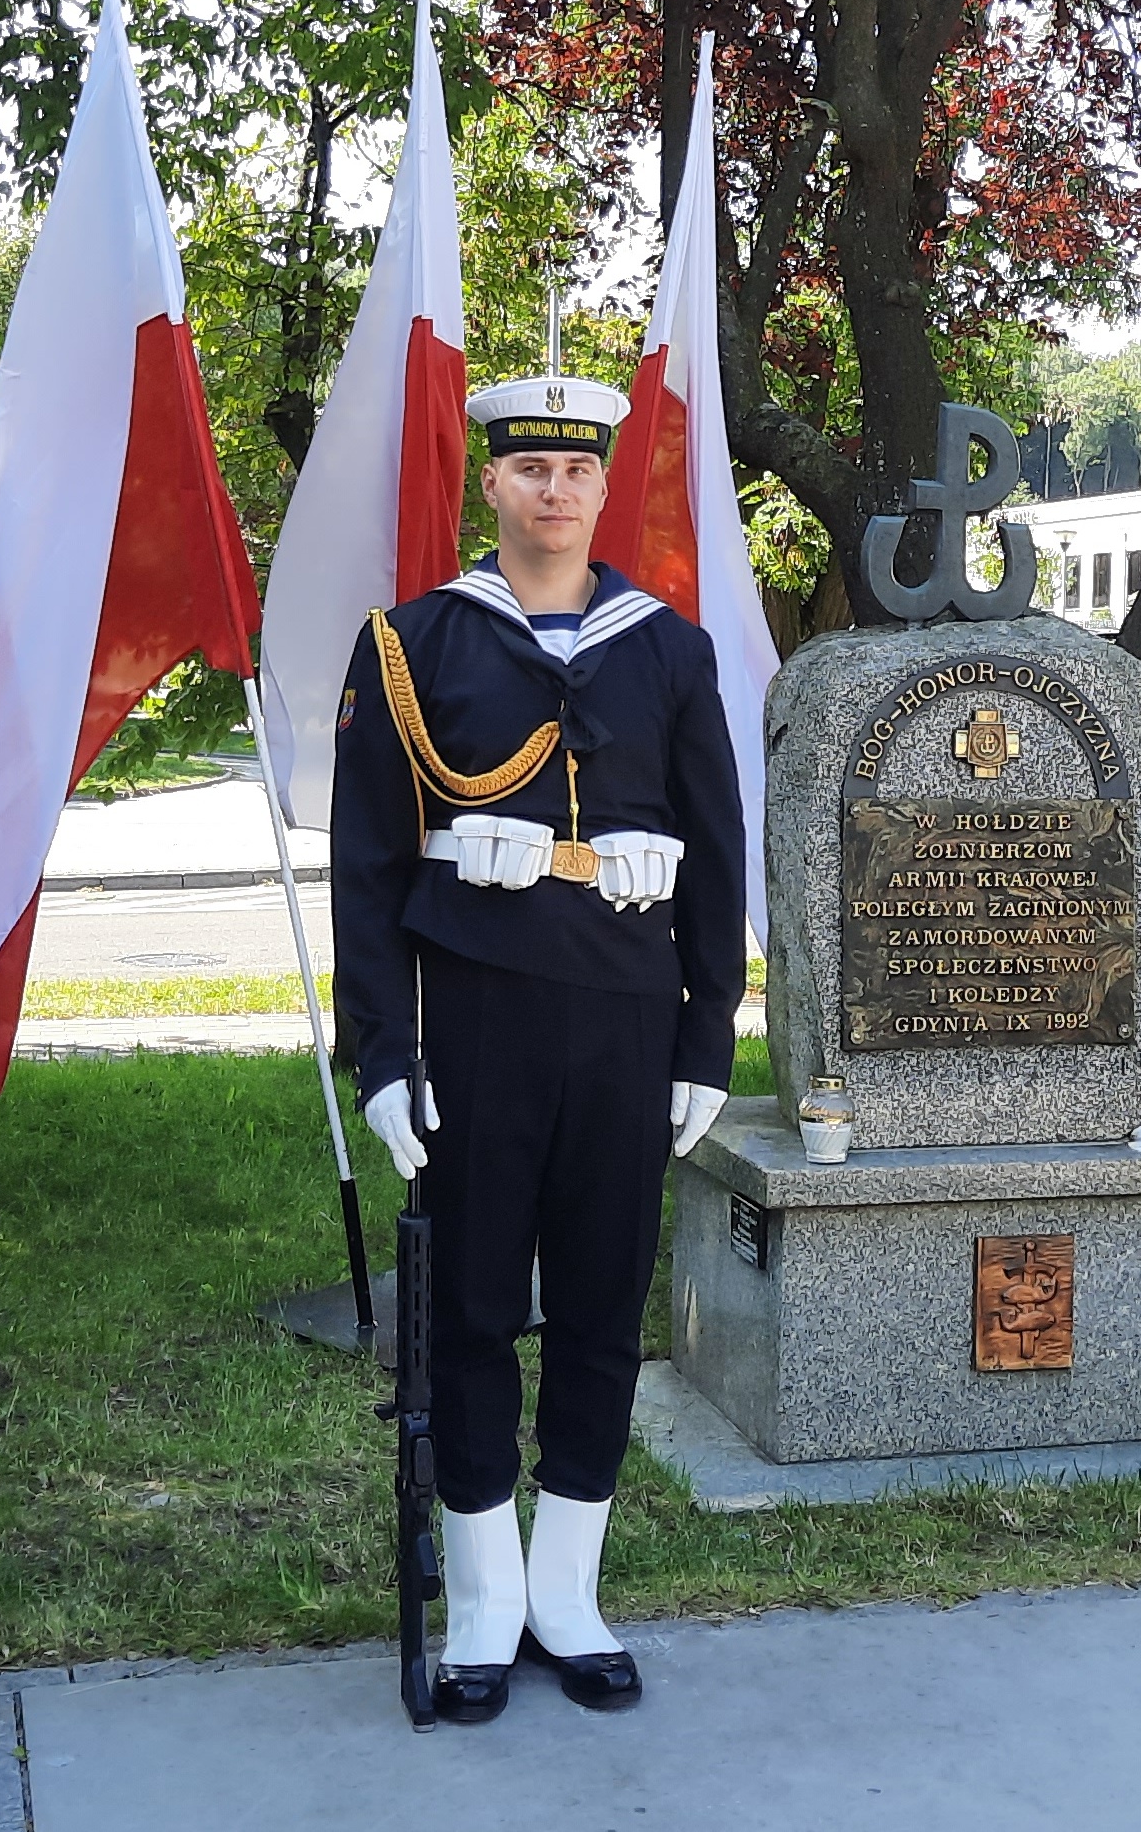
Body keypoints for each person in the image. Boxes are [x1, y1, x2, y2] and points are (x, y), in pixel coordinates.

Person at [330, 374, 745, 1724]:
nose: (555, 490)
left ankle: (567, 1588)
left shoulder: (669, 649)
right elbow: (372, 865)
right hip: (481, 1019)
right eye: (531, 468)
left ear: (598, 489)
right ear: (491, 484)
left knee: (602, 1306)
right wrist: (386, 1051)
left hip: (626, 1019)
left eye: (578, 469)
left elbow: (716, 858)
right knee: (468, 1309)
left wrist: (706, 1037)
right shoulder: (415, 642)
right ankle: (484, 1597)